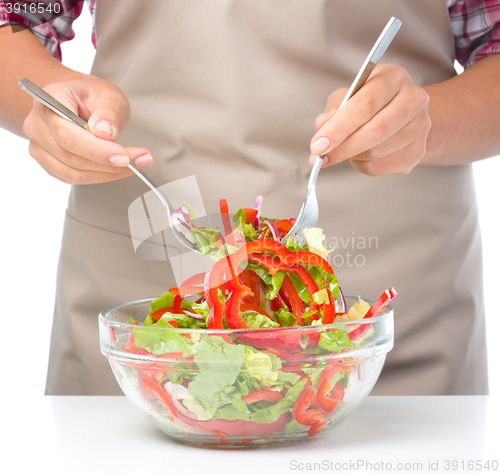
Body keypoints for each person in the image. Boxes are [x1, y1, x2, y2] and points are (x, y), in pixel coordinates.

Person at [1, 0, 499, 396]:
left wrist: (420, 125)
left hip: (391, 326)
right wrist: (53, 103)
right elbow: (15, 17)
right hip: (138, 325)